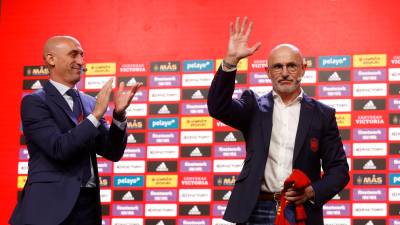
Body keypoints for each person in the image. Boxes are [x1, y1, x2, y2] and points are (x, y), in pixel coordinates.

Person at [207, 17, 349, 225]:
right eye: (277, 67)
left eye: (291, 66)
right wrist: (230, 62)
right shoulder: (253, 105)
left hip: (299, 211)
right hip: (253, 210)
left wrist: (311, 191)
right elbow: (218, 107)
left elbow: (339, 170)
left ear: (303, 69)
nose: (284, 73)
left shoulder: (322, 115)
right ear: (267, 72)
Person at [9, 36, 142, 225]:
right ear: (51, 59)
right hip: (48, 208)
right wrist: (95, 115)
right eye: (73, 55)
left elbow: (112, 151)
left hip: (88, 208)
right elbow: (59, 148)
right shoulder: (35, 102)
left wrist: (119, 115)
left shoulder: (90, 103)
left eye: (82, 55)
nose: (80, 61)